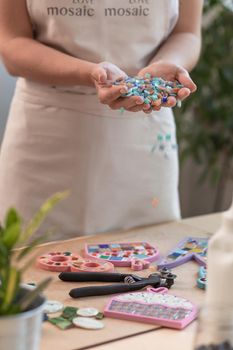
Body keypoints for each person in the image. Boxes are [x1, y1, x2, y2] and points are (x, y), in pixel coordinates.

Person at [0, 0, 203, 240]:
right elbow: (12, 43)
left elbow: (187, 32)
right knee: (32, 263)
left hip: (144, 128)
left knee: (148, 262)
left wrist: (162, 69)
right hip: (46, 131)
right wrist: (89, 73)